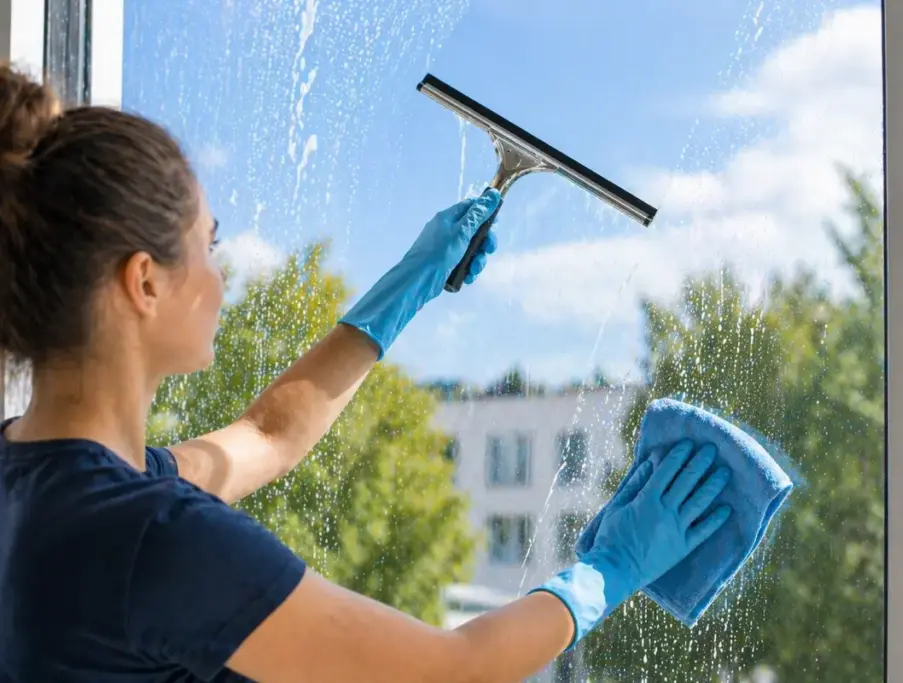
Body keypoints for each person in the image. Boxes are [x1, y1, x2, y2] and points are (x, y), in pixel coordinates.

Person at [0, 63, 733, 683]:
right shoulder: (154, 538)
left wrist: (408, 284)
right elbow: (453, 668)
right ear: (145, 282)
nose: (222, 279)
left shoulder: (35, 476)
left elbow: (269, 433)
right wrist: (609, 569)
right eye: (207, 245)